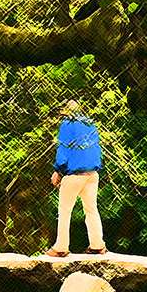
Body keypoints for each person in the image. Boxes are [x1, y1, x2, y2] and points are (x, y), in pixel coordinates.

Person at [46, 100, 106, 257]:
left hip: (75, 175)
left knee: (65, 211)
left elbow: (63, 150)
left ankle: (61, 247)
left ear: (66, 111)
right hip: (92, 174)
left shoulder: (67, 125)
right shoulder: (90, 124)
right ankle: (97, 245)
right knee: (91, 209)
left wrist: (58, 171)